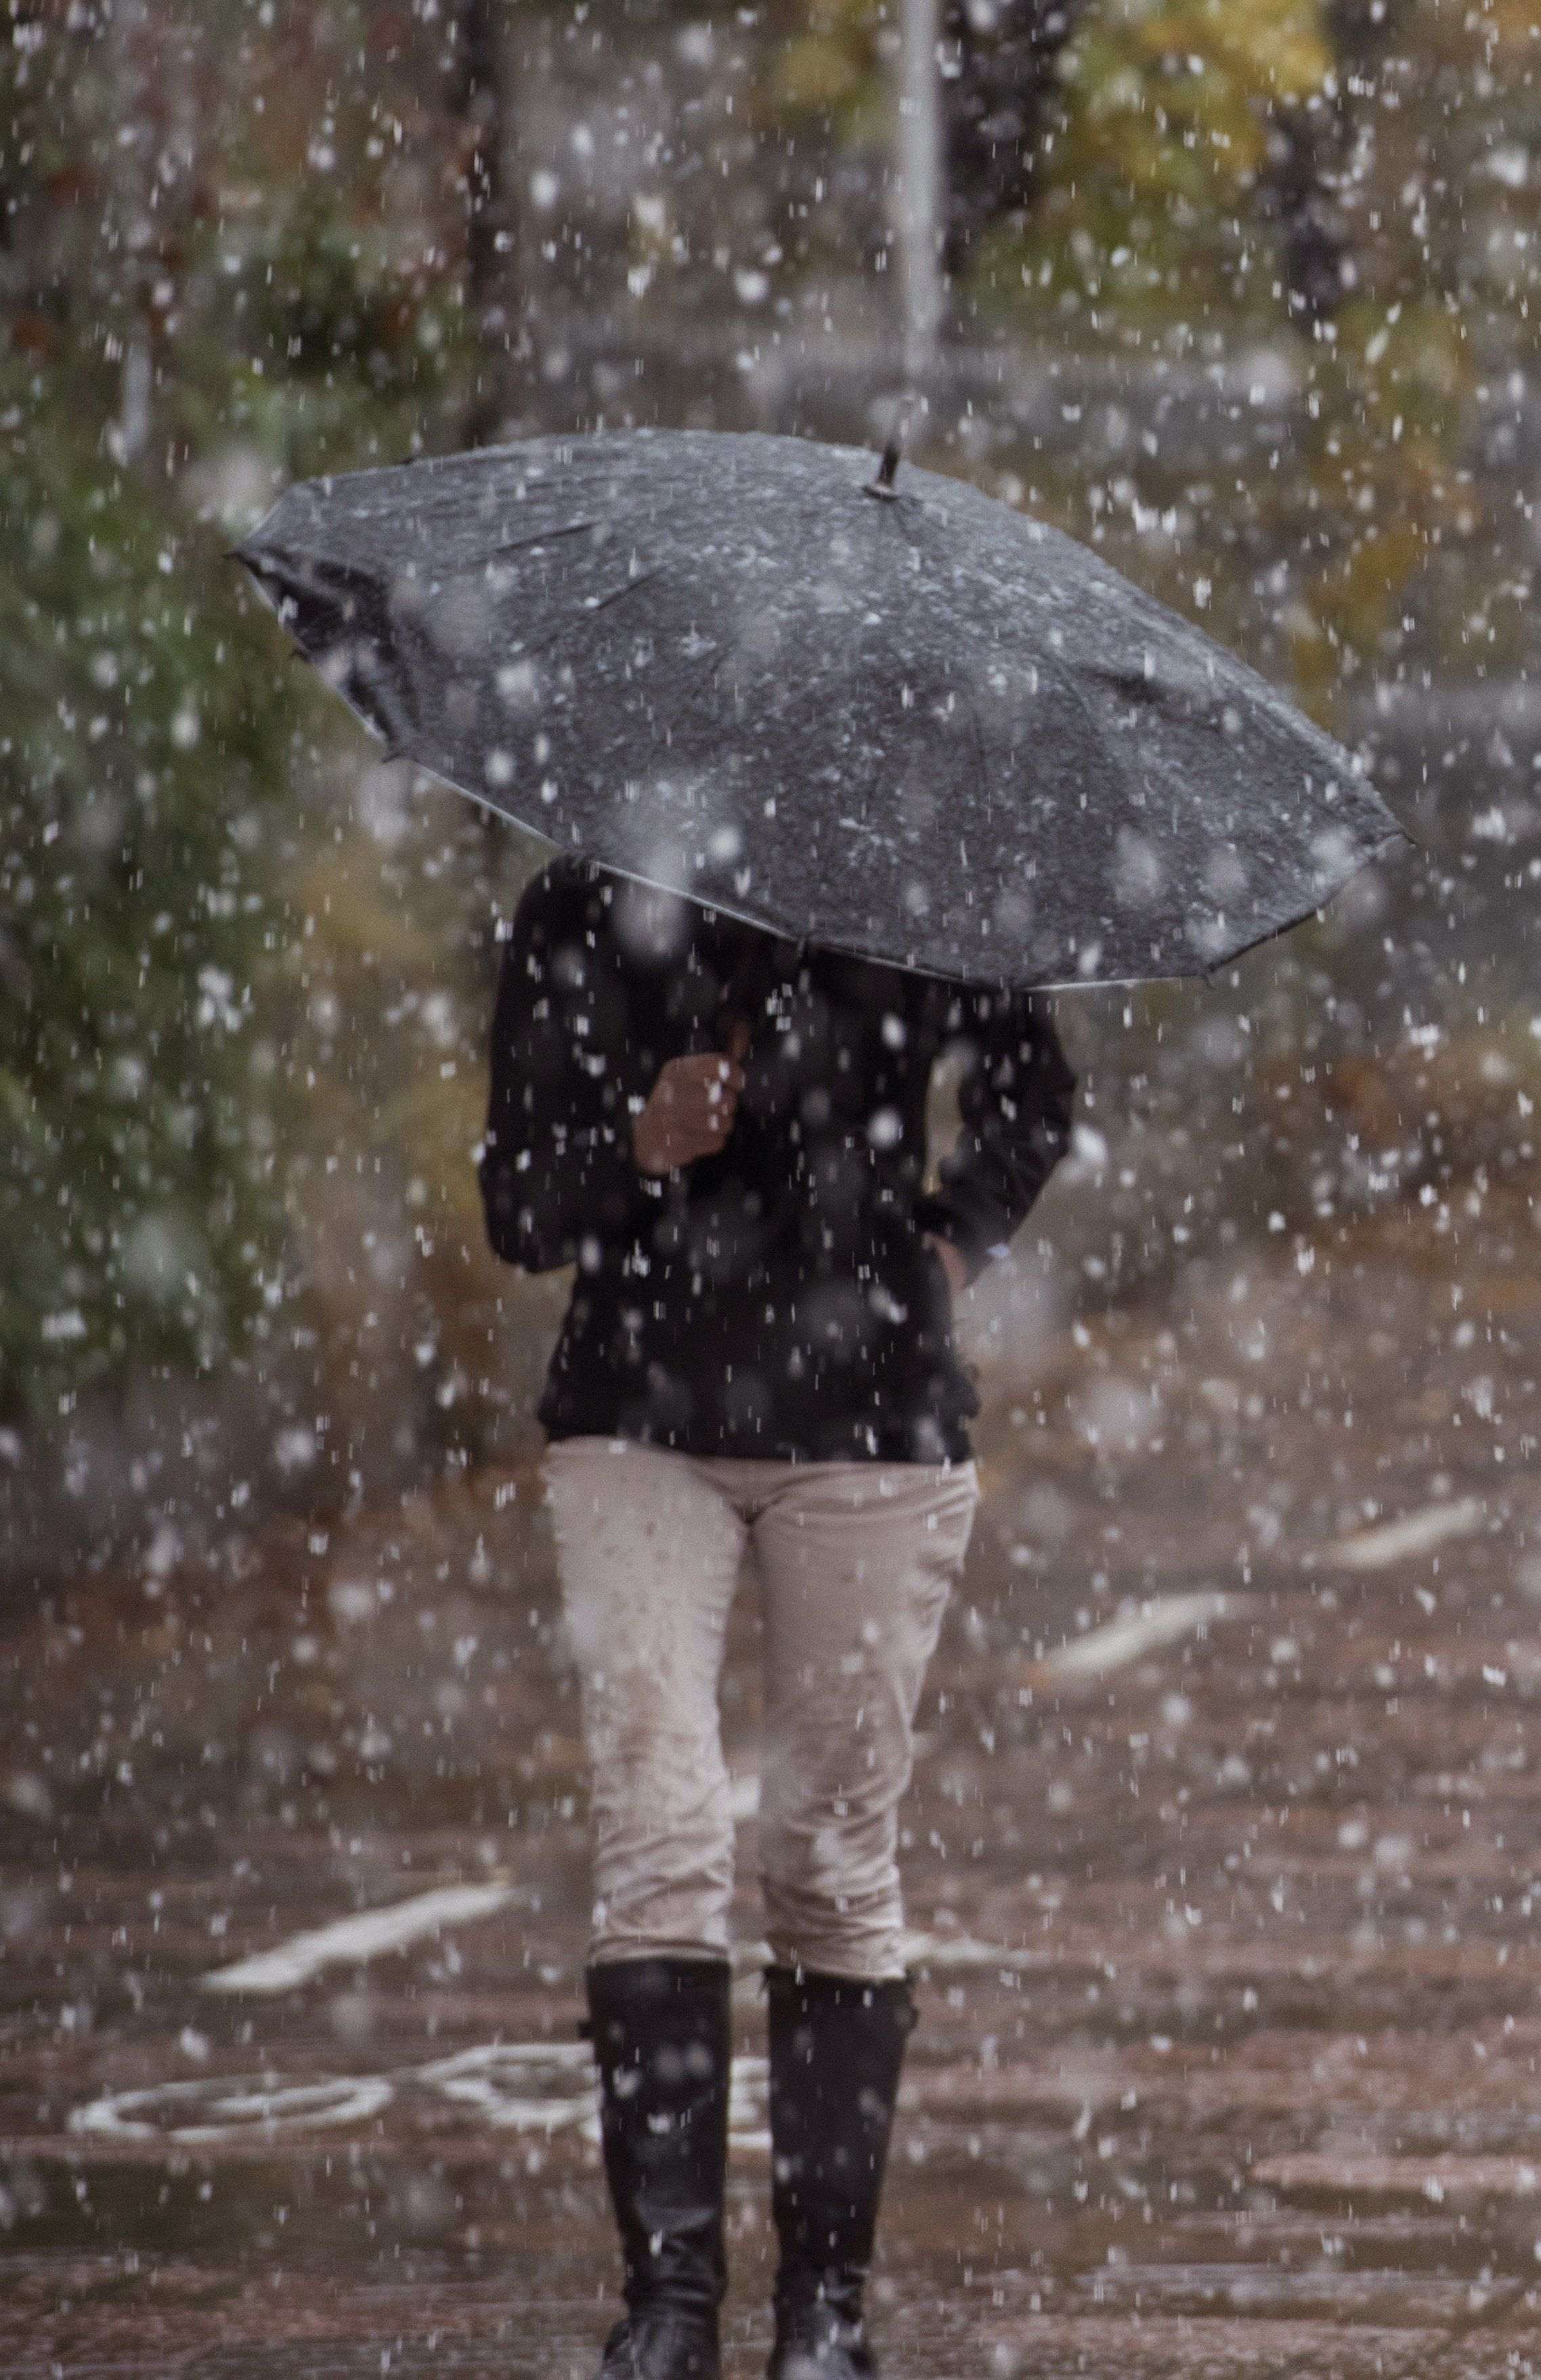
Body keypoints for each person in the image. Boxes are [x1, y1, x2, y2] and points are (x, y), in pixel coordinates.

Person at [480, 859, 1072, 2380]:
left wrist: (946, 1248)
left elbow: (1031, 1096)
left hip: (870, 1426)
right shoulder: (582, 902)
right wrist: (637, 1143)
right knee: (660, 1832)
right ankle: (669, 2308)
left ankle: (824, 2315)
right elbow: (517, 1203)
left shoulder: (917, 881)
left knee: (826, 1853)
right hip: (636, 1417)